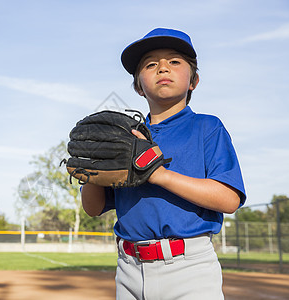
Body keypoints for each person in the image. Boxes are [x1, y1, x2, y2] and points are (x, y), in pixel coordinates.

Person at [81, 28, 246, 299]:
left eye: (174, 61)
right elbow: (93, 207)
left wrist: (159, 175)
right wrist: (90, 171)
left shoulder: (207, 127)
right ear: (138, 86)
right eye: (150, 64)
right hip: (129, 268)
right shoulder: (123, 138)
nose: (162, 68)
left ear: (194, 80)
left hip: (189, 267)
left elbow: (228, 200)